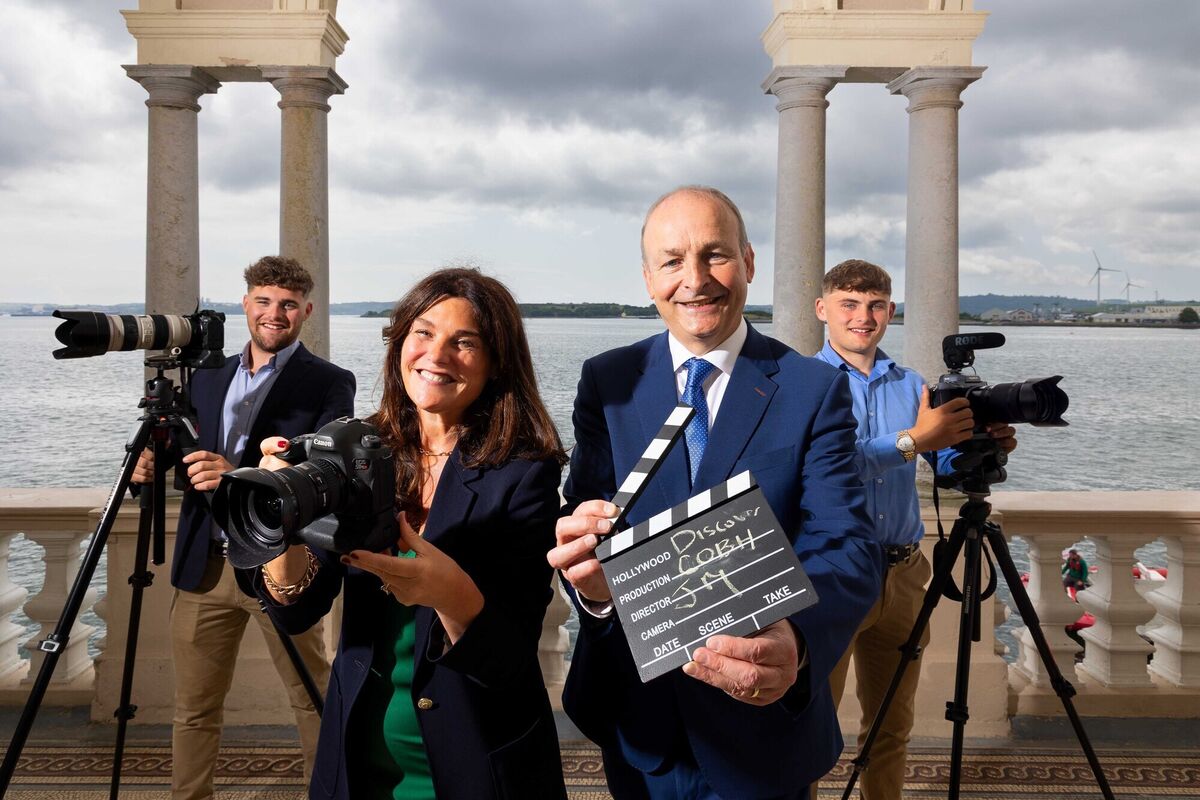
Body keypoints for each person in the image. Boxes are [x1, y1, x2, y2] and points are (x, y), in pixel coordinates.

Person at [548, 186, 883, 799]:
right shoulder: (608, 380)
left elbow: (848, 545)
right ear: (649, 278)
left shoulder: (812, 389)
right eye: (673, 261)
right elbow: (587, 521)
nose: (694, 279)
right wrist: (592, 592)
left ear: (750, 263)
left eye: (715, 255)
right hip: (638, 716)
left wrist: (798, 640)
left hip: (763, 726)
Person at [248, 268, 569, 799]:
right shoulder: (357, 447)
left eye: (464, 342)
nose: (436, 355)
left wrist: (449, 594)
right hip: (356, 754)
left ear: (496, 362)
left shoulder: (523, 472)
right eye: (423, 333)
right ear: (400, 342)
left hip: (475, 758)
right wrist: (284, 521)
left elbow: (509, 655)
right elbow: (295, 610)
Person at [131, 256, 355, 799]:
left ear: (305, 311)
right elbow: (172, 456)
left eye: (286, 305)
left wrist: (241, 477)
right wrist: (143, 471)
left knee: (312, 697)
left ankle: (326, 793)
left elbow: (327, 475)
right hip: (202, 567)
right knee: (194, 710)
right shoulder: (204, 376)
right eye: (263, 301)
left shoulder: (329, 382)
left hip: (278, 567)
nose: (273, 314)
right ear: (246, 304)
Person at [813, 259, 1017, 800]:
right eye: (850, 304)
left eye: (876, 305)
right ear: (823, 310)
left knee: (891, 728)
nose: (864, 316)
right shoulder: (802, 384)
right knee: (807, 731)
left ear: (890, 312)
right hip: (830, 575)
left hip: (904, 573)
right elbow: (826, 466)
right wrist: (912, 440)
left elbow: (943, 463)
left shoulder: (913, 386)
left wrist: (980, 447)